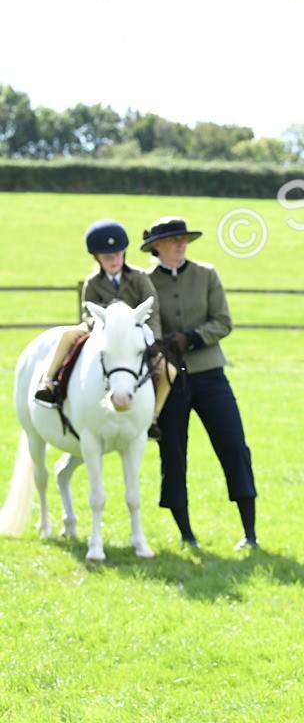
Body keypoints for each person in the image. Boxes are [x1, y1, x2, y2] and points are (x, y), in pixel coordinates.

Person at [141, 217, 258, 551]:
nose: (181, 244)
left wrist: (191, 338)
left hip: (210, 373)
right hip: (169, 379)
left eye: (184, 239)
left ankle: (250, 533)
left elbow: (223, 322)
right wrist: (161, 343)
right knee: (173, 453)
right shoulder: (144, 281)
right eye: (173, 240)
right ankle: (187, 536)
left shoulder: (206, 274)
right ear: (156, 246)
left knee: (234, 446)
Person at [33, 219, 174, 439]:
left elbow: (152, 308)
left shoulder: (138, 277)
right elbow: (87, 313)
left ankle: (153, 418)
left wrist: (154, 338)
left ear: (124, 253)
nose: (113, 260)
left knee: (169, 371)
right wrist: (102, 328)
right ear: (97, 258)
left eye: (117, 255)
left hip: (134, 335)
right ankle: (49, 382)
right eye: (107, 257)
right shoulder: (93, 282)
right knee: (66, 335)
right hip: (99, 333)